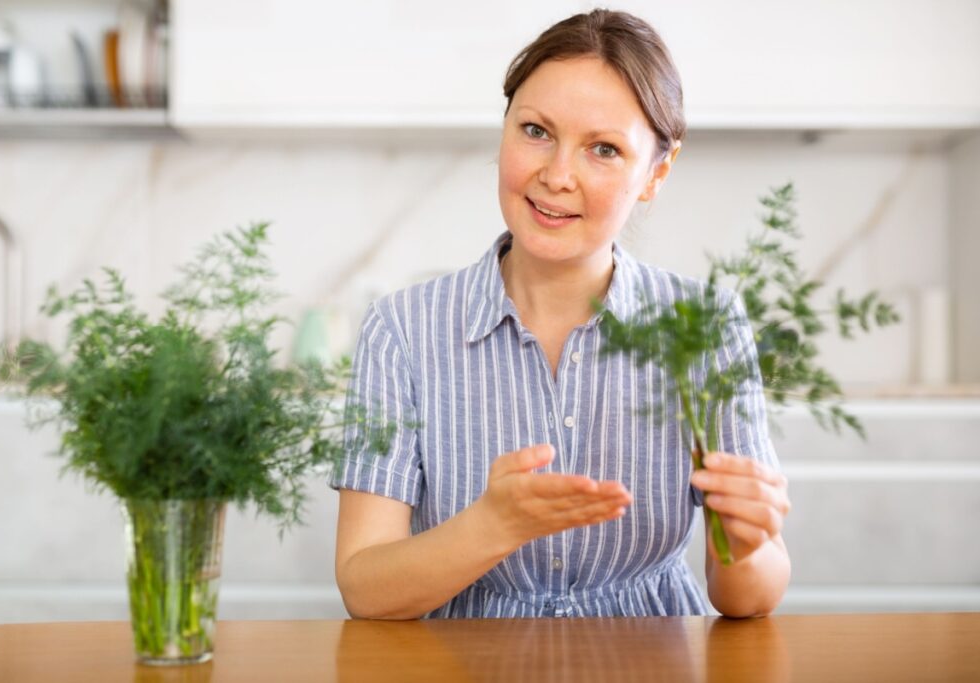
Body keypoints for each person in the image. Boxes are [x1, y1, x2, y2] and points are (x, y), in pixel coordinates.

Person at [330, 9, 791, 620]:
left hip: (652, 658)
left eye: (604, 149)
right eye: (536, 131)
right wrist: (490, 526)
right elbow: (364, 586)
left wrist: (746, 544)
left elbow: (749, 597)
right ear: (504, 128)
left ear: (656, 173)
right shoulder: (402, 331)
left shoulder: (706, 326)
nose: (556, 175)